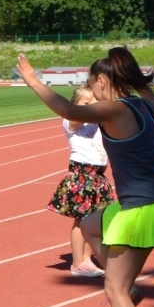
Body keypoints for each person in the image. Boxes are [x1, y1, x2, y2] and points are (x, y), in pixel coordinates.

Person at [17, 47, 154, 307]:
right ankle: (129, 287)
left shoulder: (114, 109)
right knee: (92, 223)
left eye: (94, 85)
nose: (92, 92)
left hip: (143, 208)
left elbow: (67, 109)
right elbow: (147, 90)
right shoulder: (147, 105)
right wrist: (130, 66)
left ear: (105, 81)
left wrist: (33, 79)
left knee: (114, 290)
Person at [50, 86, 114, 278]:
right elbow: (76, 118)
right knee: (82, 219)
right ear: (74, 105)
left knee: (95, 221)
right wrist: (93, 106)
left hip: (98, 175)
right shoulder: (70, 121)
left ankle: (86, 260)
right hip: (82, 174)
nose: (90, 107)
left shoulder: (98, 121)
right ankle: (78, 262)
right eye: (85, 103)